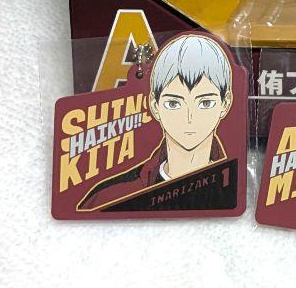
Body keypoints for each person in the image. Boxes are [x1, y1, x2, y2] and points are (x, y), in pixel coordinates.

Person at [77, 34, 234, 210]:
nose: (189, 118)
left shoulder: (235, 187)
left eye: (205, 103)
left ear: (225, 103)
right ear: (154, 105)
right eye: (173, 103)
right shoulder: (110, 196)